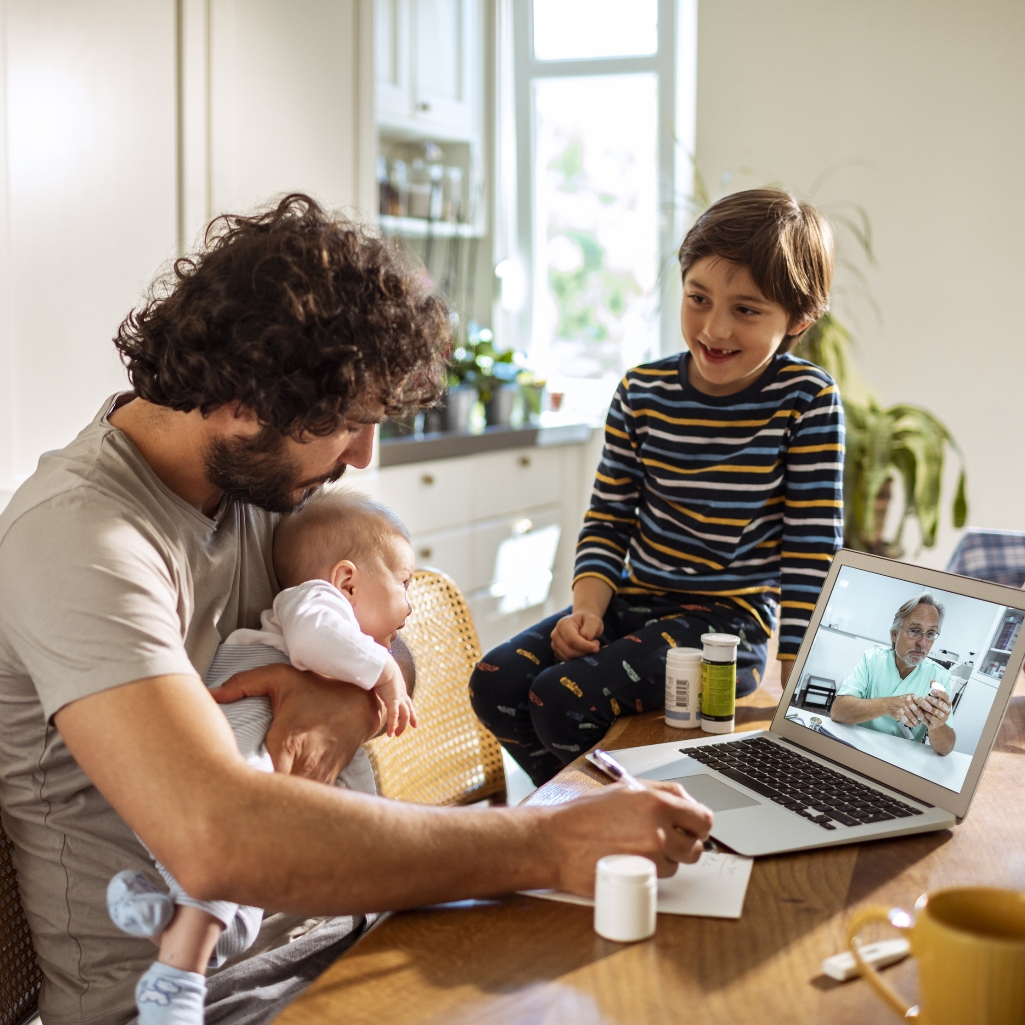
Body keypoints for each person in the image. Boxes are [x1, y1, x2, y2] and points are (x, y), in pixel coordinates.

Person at [0, 194, 712, 1025]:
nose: (363, 456)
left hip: (362, 935)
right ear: (241, 400)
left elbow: (393, 632)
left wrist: (345, 696)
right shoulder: (81, 538)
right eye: (348, 423)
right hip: (216, 998)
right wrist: (551, 843)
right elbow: (214, 836)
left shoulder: (258, 483)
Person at [470, 188, 845, 787]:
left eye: (746, 310)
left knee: (558, 700)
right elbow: (608, 519)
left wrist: (798, 677)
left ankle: (609, 819)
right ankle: (581, 816)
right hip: (629, 604)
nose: (714, 327)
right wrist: (588, 611)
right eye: (699, 298)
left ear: (798, 319)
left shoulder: (807, 400)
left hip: (726, 626)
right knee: (496, 683)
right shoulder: (642, 391)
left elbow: (810, 549)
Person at [105, 492, 416, 1025]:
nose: (412, 607)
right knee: (236, 866)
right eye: (406, 585)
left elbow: (355, 777)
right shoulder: (313, 604)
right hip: (232, 746)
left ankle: (160, 913)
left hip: (229, 765)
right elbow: (319, 639)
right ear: (345, 581)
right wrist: (384, 674)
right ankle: (176, 984)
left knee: (236, 910)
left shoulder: (341, 635)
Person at [830, 594, 956, 755]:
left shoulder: (940, 677)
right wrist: (887, 705)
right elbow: (838, 711)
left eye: (930, 634)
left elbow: (946, 749)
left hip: (900, 760)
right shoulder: (872, 659)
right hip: (858, 749)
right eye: (915, 631)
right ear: (895, 634)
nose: (923, 643)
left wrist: (937, 724)